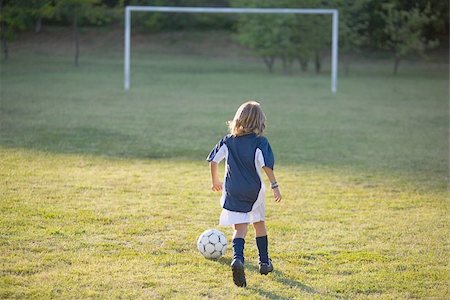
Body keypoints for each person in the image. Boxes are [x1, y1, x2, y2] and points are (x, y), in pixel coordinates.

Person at [206, 101, 282, 287]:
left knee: (239, 228)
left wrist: (215, 181)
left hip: (232, 189)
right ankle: (264, 262)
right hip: (253, 191)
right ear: (259, 122)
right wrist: (274, 185)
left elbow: (213, 160)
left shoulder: (228, 140)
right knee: (259, 224)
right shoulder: (260, 142)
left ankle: (237, 259)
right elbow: (266, 165)